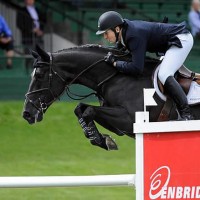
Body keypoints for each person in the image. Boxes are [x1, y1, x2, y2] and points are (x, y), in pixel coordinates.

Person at [96, 11, 194, 120]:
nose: (105, 36)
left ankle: (186, 114)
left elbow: (137, 68)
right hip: (170, 42)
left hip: (181, 39)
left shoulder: (133, 35)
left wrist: (115, 63)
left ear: (117, 29)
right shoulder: (125, 33)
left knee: (164, 74)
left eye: (106, 33)